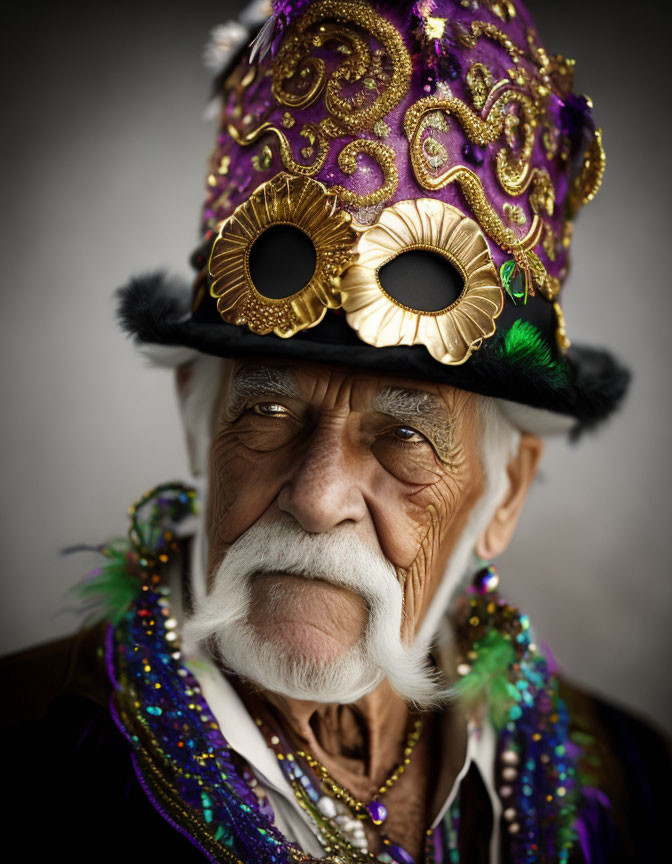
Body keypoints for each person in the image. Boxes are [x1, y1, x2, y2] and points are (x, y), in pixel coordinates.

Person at [2, 1, 668, 861]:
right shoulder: (26, 758)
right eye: (269, 412)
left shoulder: (633, 784)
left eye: (404, 439)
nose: (317, 499)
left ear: (504, 493)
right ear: (197, 420)